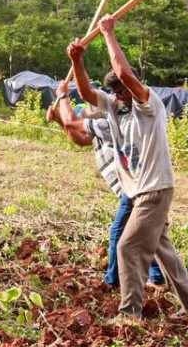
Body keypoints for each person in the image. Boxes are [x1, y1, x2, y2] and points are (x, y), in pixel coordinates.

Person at [68, 14, 188, 321]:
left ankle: (130, 314)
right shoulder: (116, 109)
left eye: (121, 90)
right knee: (165, 254)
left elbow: (123, 72)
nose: (118, 96)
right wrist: (77, 60)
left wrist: (108, 34)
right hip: (138, 193)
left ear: (133, 88)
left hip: (154, 190)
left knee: (128, 247)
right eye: (115, 93)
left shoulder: (148, 105)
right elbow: (87, 94)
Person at [48, 79, 165, 289]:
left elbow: (73, 124)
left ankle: (114, 280)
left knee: (119, 233)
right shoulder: (98, 125)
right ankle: (156, 277)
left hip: (134, 186)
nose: (84, 113)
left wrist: (62, 97)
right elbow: (79, 137)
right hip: (134, 185)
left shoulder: (108, 120)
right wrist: (59, 120)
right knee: (148, 233)